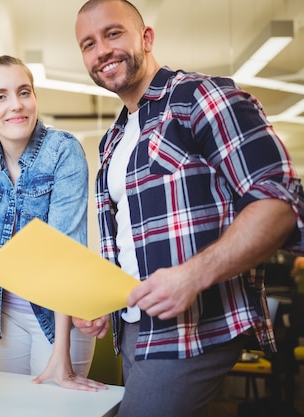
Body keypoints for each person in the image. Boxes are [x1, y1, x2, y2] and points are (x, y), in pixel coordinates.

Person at [72, 1, 304, 415]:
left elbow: (280, 203)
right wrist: (105, 302)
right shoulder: (112, 141)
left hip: (196, 328)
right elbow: (133, 241)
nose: (101, 50)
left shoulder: (200, 97)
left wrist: (191, 276)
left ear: (146, 38)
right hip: (134, 328)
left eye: (112, 34)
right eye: (88, 44)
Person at [0, 55, 105, 392]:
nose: (16, 105)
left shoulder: (62, 150)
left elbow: (64, 247)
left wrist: (60, 352)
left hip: (59, 317)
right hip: (5, 315)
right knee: (11, 405)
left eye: (24, 92)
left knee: (54, 406)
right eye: (1, 96)